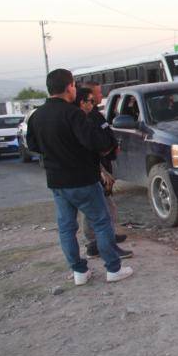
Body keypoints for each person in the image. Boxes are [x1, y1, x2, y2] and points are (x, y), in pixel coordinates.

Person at [27, 69, 133, 285]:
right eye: (74, 85)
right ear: (68, 87)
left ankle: (79, 272)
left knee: (67, 228)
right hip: (83, 179)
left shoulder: (37, 116)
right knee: (102, 223)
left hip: (57, 182)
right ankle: (113, 269)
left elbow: (33, 146)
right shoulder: (73, 114)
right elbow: (96, 142)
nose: (75, 89)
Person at [73, 86, 131, 259]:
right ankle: (98, 245)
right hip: (93, 171)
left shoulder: (95, 115)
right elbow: (88, 148)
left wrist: (112, 147)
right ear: (82, 102)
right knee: (99, 211)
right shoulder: (80, 120)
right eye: (94, 96)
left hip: (101, 166)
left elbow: (105, 135)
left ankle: (106, 241)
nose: (99, 97)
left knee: (106, 207)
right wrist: (101, 169)